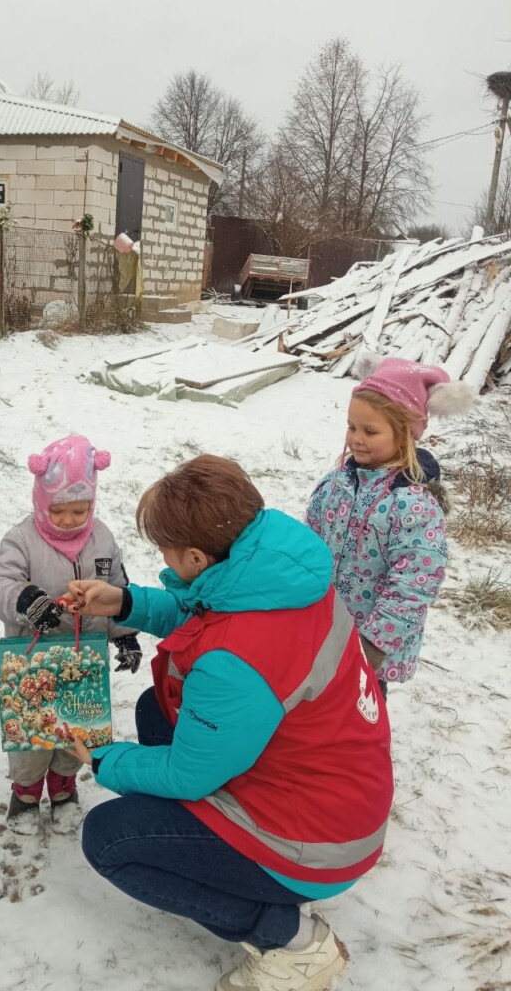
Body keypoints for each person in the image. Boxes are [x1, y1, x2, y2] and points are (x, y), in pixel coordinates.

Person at [66, 454, 393, 991]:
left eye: (166, 550)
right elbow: (210, 613)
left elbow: (187, 773)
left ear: (196, 557)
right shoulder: (276, 571)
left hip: (317, 840)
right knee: (155, 708)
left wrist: (106, 759)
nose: (163, 557)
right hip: (338, 792)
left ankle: (292, 940)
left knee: (109, 839)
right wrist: (126, 603)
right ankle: (230, 856)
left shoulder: (237, 661)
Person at [0, 434, 141, 835]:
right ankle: (25, 793)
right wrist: (25, 599)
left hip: (84, 660)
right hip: (33, 659)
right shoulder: (22, 539)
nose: (69, 520)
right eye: (59, 510)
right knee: (33, 734)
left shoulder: (102, 538)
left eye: (79, 510)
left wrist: (125, 635)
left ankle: (64, 789)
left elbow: (117, 588)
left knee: (77, 730)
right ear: (41, 501)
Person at [306, 351, 475, 692]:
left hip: (370, 649)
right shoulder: (335, 485)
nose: (356, 438)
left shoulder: (414, 506)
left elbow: (413, 584)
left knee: (359, 713)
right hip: (321, 631)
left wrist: (373, 644)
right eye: (352, 427)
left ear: (405, 434)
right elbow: (308, 546)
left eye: (370, 431)